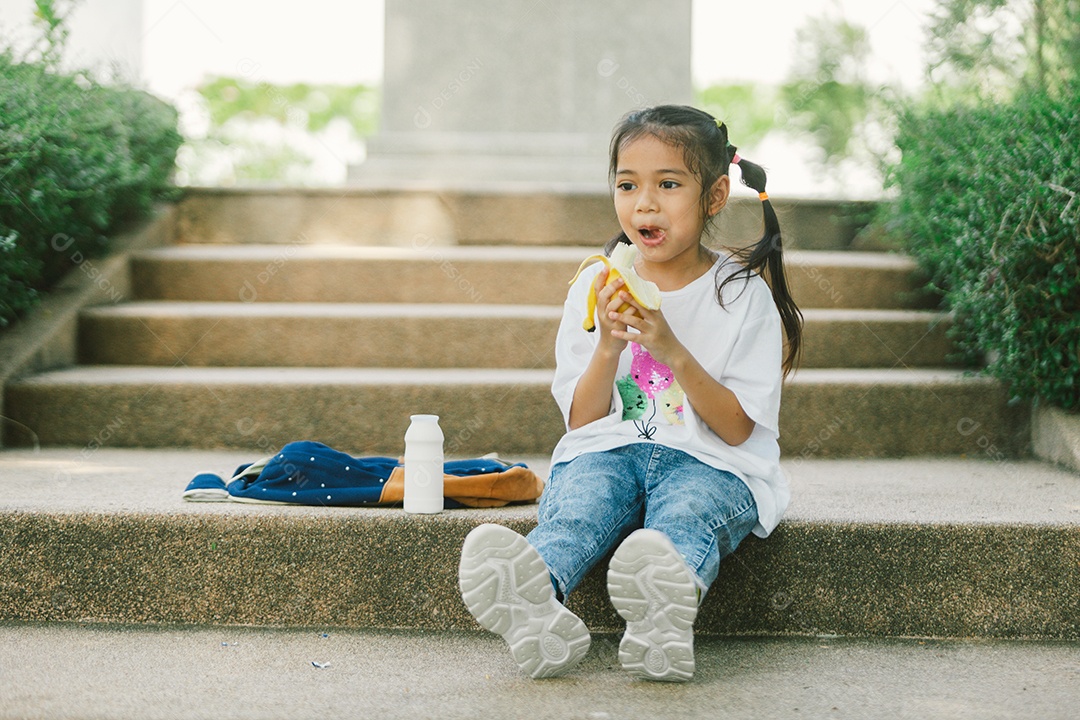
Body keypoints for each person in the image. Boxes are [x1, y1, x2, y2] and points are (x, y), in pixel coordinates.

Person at [458, 105, 803, 682]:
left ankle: (664, 617)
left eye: (668, 184)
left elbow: (739, 428)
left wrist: (670, 348)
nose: (644, 203)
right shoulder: (596, 285)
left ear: (715, 195)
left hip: (712, 460)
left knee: (686, 517)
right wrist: (608, 349)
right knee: (578, 509)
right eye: (627, 184)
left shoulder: (740, 295)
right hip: (609, 447)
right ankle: (534, 601)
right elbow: (582, 419)